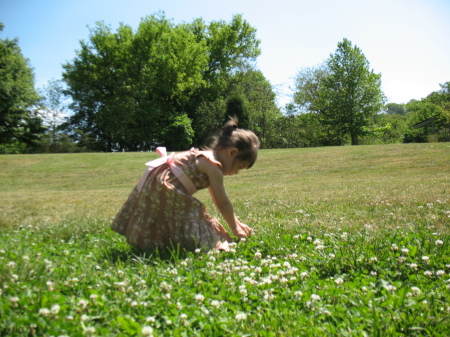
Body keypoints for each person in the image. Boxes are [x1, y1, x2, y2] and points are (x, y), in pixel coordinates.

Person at [111, 117, 260, 252]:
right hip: (166, 188)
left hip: (155, 183)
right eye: (239, 167)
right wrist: (235, 228)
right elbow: (223, 203)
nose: (236, 173)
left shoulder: (205, 157)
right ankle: (199, 245)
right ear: (232, 153)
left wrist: (237, 222)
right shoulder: (214, 168)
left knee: (170, 217)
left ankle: (159, 244)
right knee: (191, 216)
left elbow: (216, 198)